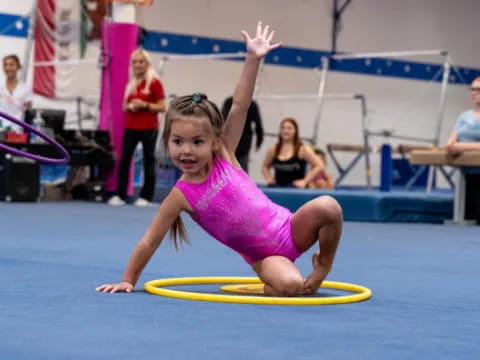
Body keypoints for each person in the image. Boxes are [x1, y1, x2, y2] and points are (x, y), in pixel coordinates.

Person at [96, 22, 343, 297]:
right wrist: (128, 279)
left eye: (197, 142)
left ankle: (322, 266)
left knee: (329, 207)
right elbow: (150, 240)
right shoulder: (180, 195)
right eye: (178, 142)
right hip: (266, 257)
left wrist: (252, 59)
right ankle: (273, 282)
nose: (186, 151)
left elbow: (240, 105)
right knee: (291, 286)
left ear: (214, 141)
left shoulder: (224, 152)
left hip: (291, 229)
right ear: (167, 141)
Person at [108, 48, 166, 207]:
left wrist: (145, 105)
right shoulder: (131, 84)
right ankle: (120, 194)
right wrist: (130, 107)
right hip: (131, 126)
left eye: (141, 61)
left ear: (147, 63)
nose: (137, 65)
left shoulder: (155, 83)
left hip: (149, 127)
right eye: (135, 62)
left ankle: (146, 196)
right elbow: (124, 106)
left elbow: (162, 106)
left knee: (149, 160)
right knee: (125, 158)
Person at [446, 76, 480, 222]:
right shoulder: (463, 116)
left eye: (478, 90)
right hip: (465, 174)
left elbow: (457, 145)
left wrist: (461, 146)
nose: (474, 93)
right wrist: (452, 146)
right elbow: (451, 142)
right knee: (467, 217)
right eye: (472, 89)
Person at [262, 117, 325, 188]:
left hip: (296, 190)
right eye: (283, 128)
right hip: (278, 189)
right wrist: (269, 179)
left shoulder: (303, 149)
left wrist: (305, 181)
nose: (285, 130)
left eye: (289, 128)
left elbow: (320, 165)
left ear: (295, 131)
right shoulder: (273, 149)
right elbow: (265, 166)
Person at [221, 96, 263, 173]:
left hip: (240, 140)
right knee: (238, 166)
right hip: (238, 140)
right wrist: (259, 142)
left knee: (232, 164)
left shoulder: (251, 104)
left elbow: (258, 125)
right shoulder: (229, 102)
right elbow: (258, 125)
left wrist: (259, 141)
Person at [0, 54, 32, 132]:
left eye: (11, 64)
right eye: (5, 65)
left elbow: (27, 108)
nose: (8, 68)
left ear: (18, 67)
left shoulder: (26, 88)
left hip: (16, 129)